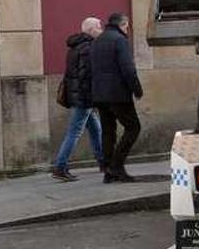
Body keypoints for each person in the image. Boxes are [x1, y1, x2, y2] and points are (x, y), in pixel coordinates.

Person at [91, 13, 144, 183]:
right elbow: (128, 68)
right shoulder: (120, 40)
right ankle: (116, 165)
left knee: (108, 132)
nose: (127, 29)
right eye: (127, 26)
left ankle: (108, 170)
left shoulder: (97, 40)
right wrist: (137, 89)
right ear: (122, 24)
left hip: (100, 94)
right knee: (133, 127)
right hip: (118, 94)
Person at [51, 17, 106, 182]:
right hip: (84, 98)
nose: (101, 29)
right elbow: (87, 76)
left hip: (78, 96)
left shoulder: (75, 47)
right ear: (90, 30)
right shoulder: (88, 48)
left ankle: (104, 161)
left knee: (96, 129)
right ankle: (60, 167)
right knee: (74, 132)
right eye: (98, 26)